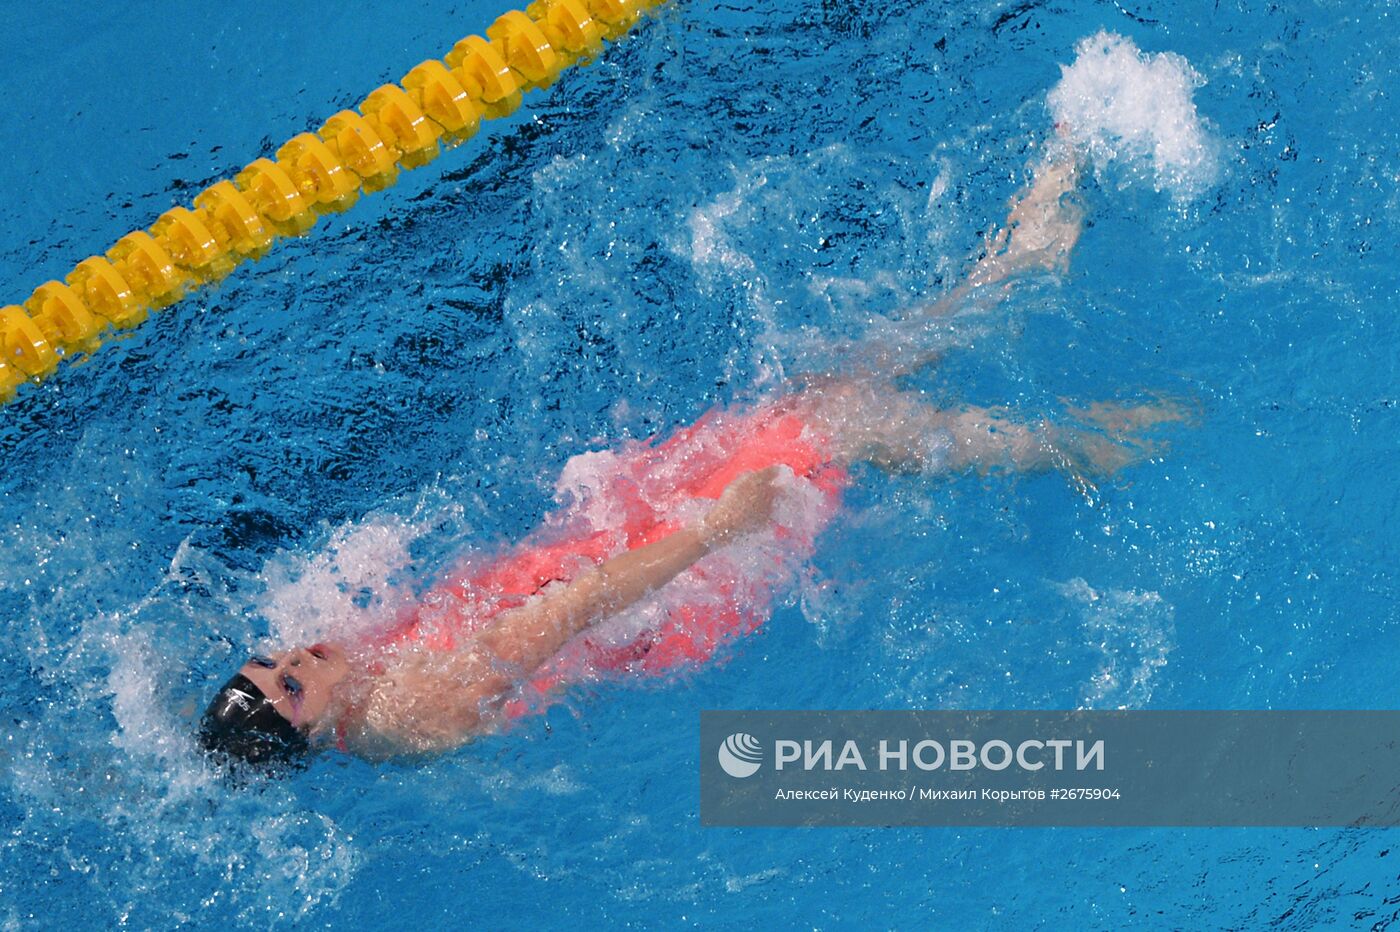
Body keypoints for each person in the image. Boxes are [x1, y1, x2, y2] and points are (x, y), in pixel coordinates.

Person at [199, 143, 1181, 769]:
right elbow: (577, 611)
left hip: (599, 547)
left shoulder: (351, 687)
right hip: (664, 594)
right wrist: (718, 526)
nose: (296, 656)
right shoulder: (417, 704)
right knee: (834, 426)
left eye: (271, 657)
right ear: (313, 731)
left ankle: (1010, 283)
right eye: (292, 684)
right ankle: (1075, 440)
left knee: (816, 397)